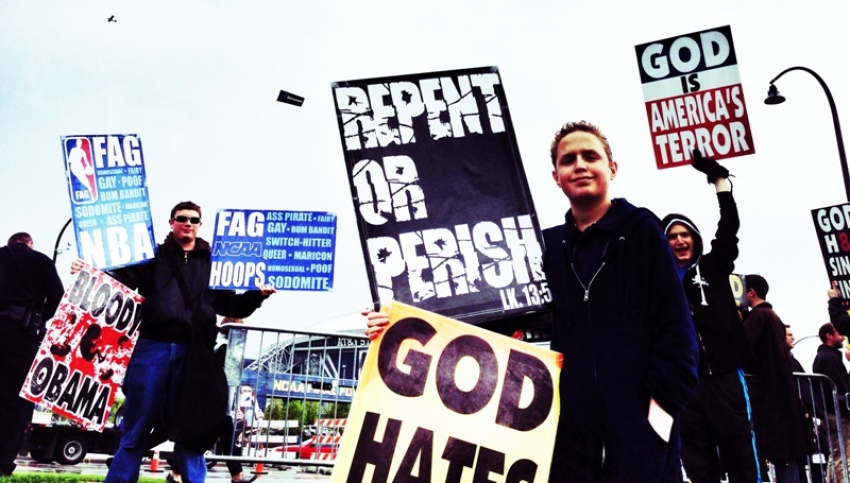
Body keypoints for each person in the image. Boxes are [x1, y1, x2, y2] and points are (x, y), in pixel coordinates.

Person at [366, 121, 699, 482]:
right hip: (568, 437)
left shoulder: (643, 232)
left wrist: (657, 419)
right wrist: (397, 322)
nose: (580, 165)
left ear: (612, 168)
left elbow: (676, 331)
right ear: (556, 176)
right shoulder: (544, 247)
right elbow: (488, 315)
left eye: (591, 156)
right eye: (568, 159)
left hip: (640, 435)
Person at [72, 201, 276, 483]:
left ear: (200, 224)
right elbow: (123, 280)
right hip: (153, 345)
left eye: (194, 219)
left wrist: (257, 295)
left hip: (195, 352)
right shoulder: (153, 256)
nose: (188, 223)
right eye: (182, 218)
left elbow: (230, 304)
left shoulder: (213, 262)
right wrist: (90, 272)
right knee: (138, 422)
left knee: (193, 425)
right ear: (171, 222)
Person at [660, 152, 760, 483]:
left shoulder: (713, 267)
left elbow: (729, 229)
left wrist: (721, 185)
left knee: (740, 455)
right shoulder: (656, 284)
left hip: (724, 377)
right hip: (685, 383)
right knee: (699, 463)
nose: (678, 241)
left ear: (695, 239)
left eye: (684, 234)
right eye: (671, 237)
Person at [0, 232, 64, 476]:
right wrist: (36, 318)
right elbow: (59, 298)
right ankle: (3, 462)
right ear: (30, 244)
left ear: (10, 243)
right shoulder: (42, 261)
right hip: (22, 337)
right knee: (15, 403)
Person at [742, 274, 811, 483]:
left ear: (750, 292)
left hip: (769, 397)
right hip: (781, 396)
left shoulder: (758, 317)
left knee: (782, 456)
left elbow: (744, 349)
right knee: (788, 456)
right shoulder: (773, 316)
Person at [812, 322, 850, 482]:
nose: (842, 336)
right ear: (829, 335)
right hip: (837, 414)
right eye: (838, 332)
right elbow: (841, 388)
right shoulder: (829, 358)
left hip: (832, 413)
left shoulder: (826, 357)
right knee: (842, 456)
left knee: (836, 455)